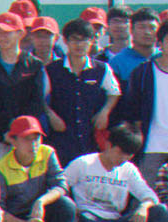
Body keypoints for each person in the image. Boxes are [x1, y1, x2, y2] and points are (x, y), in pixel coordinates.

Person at [62, 124, 168, 222]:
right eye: (120, 152)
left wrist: (143, 207)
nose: (123, 158)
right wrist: (73, 210)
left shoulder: (128, 169)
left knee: (161, 211)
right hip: (90, 220)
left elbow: (149, 195)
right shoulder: (83, 163)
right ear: (108, 145)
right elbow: (60, 186)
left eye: (129, 154)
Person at [108, 21, 168, 183]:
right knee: (147, 191)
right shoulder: (143, 72)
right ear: (160, 44)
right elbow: (132, 107)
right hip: (151, 145)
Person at [0, 115, 75, 222]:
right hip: (15, 221)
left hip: (39, 215)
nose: (33, 144)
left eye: (36, 138)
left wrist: (41, 202)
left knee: (66, 205)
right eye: (26, 139)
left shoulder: (47, 153)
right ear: (13, 141)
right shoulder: (0, 168)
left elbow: (61, 185)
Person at [0, 16, 50, 161]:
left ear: (20, 34)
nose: (2, 37)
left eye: (7, 32)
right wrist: (6, 128)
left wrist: (20, 131)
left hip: (26, 138)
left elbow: (37, 102)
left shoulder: (34, 65)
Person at [44, 20, 120, 167]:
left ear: (91, 41)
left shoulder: (101, 69)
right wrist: (51, 115)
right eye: (74, 40)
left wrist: (105, 111)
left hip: (90, 137)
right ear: (65, 41)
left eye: (84, 40)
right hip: (61, 137)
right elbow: (38, 97)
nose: (79, 45)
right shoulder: (52, 69)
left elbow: (114, 92)